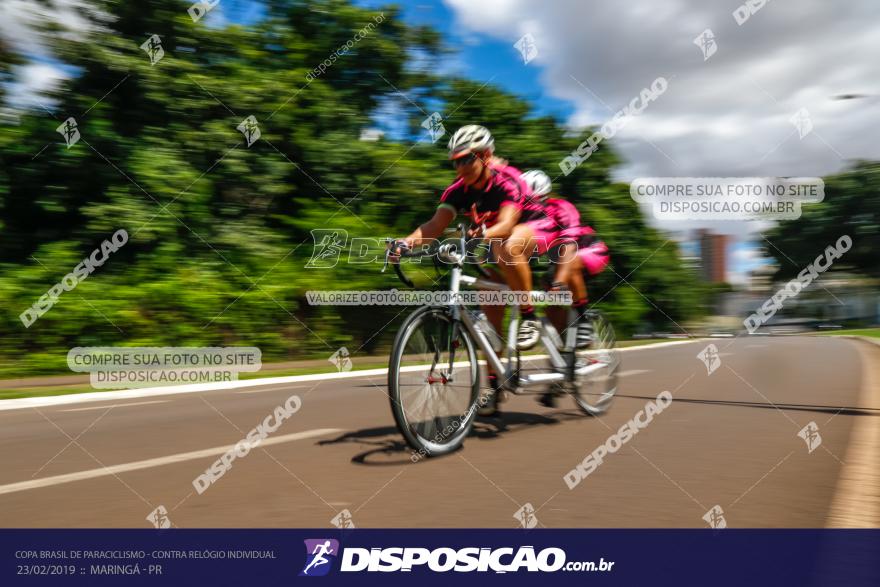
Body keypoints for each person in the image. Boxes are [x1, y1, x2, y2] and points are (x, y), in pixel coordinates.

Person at [390, 125, 550, 416]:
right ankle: (495, 385)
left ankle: (529, 315)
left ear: (485, 156)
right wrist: (405, 243)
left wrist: (480, 235)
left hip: (534, 228)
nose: (460, 167)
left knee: (506, 245)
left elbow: (506, 223)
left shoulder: (506, 181)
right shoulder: (458, 190)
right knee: (489, 312)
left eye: (467, 160)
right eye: (456, 161)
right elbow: (433, 227)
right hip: (493, 240)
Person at [520, 170, 610, 407]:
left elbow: (569, 244)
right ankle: (561, 370)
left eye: (530, 199)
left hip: (587, 251)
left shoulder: (560, 207)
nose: (526, 205)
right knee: (551, 315)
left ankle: (583, 321)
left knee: (568, 265)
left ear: (543, 195)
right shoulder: (524, 217)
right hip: (558, 261)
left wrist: (559, 284)